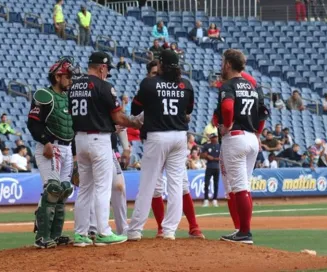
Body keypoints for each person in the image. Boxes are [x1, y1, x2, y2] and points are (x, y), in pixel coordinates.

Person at [69, 51, 141, 247]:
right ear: (102, 67)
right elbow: (118, 118)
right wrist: (137, 123)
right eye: (107, 69)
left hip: (80, 139)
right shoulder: (103, 86)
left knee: (85, 189)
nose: (107, 72)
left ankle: (80, 234)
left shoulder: (74, 86)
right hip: (99, 139)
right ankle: (103, 232)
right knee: (102, 186)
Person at [128, 50, 194, 241]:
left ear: (161, 65)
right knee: (175, 185)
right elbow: (188, 110)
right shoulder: (186, 85)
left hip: (157, 135)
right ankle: (169, 231)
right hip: (180, 136)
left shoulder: (149, 83)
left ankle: (135, 230)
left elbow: (134, 109)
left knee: (148, 183)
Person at [216, 49, 268, 244]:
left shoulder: (228, 85)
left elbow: (228, 107)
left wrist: (227, 125)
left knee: (238, 188)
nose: (222, 65)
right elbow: (263, 112)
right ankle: (242, 230)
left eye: (223, 62)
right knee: (244, 187)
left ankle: (244, 232)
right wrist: (257, 134)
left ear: (228, 64)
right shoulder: (253, 86)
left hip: (235, 137)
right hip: (252, 138)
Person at [27, 58, 76, 249]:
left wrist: (75, 152)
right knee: (53, 189)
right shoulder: (44, 95)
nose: (71, 80)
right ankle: (42, 236)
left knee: (64, 190)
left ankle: (55, 234)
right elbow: (33, 122)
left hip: (67, 146)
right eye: (68, 76)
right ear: (57, 76)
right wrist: (45, 140)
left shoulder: (70, 97)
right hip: (50, 147)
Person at [201, 133, 220, 207]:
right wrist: (207, 156)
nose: (215, 139)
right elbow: (201, 155)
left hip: (217, 167)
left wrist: (213, 158)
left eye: (215, 137)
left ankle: (215, 199)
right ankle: (206, 199)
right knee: (206, 183)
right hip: (209, 166)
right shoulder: (207, 146)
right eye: (213, 137)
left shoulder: (219, 146)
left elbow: (222, 157)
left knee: (216, 184)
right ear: (211, 138)